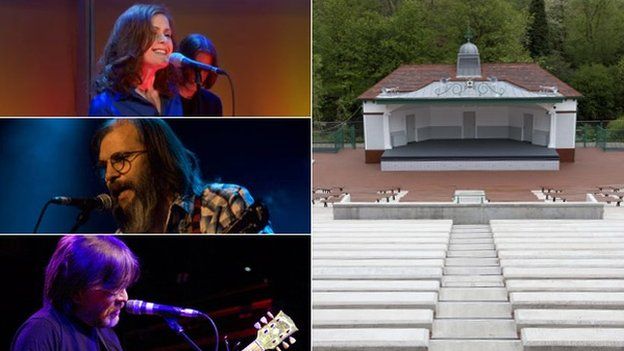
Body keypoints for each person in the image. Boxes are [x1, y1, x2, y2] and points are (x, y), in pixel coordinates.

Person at [92, 119, 272, 233]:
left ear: (158, 156)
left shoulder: (222, 203)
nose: (109, 176)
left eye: (121, 159)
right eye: (104, 166)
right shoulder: (121, 237)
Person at [11, 236, 139, 351]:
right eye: (114, 289)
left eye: (124, 287)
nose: (124, 298)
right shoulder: (41, 331)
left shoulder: (108, 337)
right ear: (77, 292)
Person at [89, 4, 182, 116]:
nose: (164, 40)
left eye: (167, 34)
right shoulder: (106, 105)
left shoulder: (172, 95)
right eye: (153, 33)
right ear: (132, 41)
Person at [177, 34, 223, 116]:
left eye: (205, 69)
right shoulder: (164, 98)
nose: (200, 74)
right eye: (195, 67)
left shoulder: (212, 103)